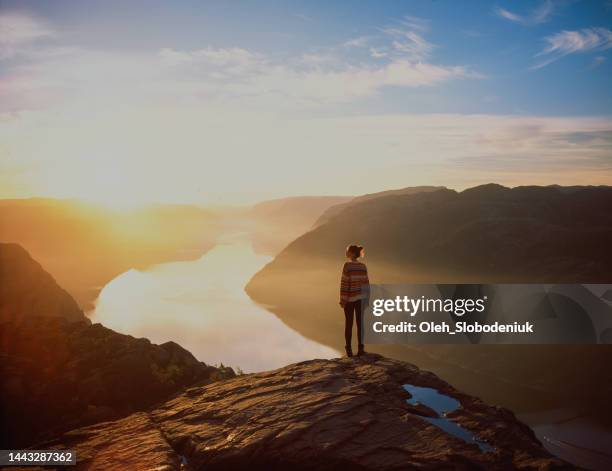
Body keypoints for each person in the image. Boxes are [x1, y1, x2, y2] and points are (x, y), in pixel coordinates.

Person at [339, 244, 369, 357]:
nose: (346, 253)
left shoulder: (347, 266)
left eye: (347, 251)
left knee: (349, 324)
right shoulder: (363, 266)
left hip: (350, 300)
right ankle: (361, 349)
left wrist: (343, 300)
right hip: (361, 299)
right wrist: (366, 300)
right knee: (360, 325)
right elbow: (366, 283)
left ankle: (349, 350)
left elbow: (345, 284)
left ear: (351, 253)